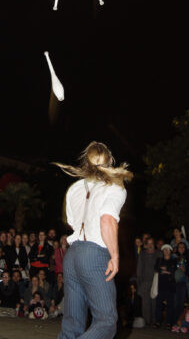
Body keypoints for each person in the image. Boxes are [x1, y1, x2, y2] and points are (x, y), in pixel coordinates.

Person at [55, 141, 132, 339]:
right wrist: (114, 256)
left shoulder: (73, 189)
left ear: (86, 162)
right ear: (110, 159)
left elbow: (73, 223)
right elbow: (107, 219)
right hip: (94, 254)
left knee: (72, 323)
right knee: (106, 321)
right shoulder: (115, 187)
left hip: (72, 256)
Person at [137, 237, 158, 326]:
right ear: (145, 245)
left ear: (154, 244)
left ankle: (154, 320)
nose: (150, 246)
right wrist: (140, 282)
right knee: (145, 302)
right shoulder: (142, 254)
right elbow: (139, 268)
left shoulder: (159, 254)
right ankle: (146, 321)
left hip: (155, 282)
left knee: (154, 302)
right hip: (145, 281)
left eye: (151, 243)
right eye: (148, 244)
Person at [154, 244, 177, 328]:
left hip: (170, 285)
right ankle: (158, 322)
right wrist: (165, 270)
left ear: (170, 251)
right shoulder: (159, 260)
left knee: (170, 305)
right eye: (164, 249)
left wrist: (165, 269)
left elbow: (173, 270)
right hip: (160, 285)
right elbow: (156, 269)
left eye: (167, 249)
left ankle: (168, 322)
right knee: (158, 304)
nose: (166, 251)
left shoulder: (174, 260)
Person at [174, 242, 188, 321]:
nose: (181, 249)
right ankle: (174, 320)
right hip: (175, 282)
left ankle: (179, 321)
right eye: (180, 247)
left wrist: (185, 270)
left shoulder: (187, 258)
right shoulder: (174, 257)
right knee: (175, 302)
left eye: (183, 247)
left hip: (183, 282)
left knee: (181, 302)